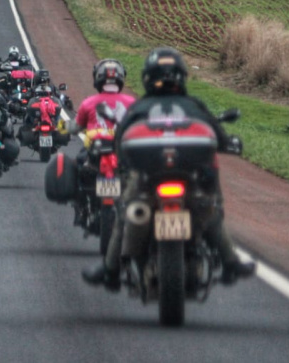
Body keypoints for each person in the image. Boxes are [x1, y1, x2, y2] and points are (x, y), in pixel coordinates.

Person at [82, 47, 256, 289]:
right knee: (210, 211)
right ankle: (230, 261)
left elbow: (120, 140)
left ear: (147, 77)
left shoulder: (140, 107)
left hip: (149, 178)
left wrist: (122, 160)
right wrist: (228, 143)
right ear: (182, 75)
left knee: (127, 213)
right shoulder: (193, 105)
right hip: (186, 178)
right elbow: (218, 134)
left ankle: (110, 268)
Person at [66, 59, 137, 228]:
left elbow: (76, 127)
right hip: (123, 152)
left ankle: (81, 208)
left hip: (95, 151)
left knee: (76, 168)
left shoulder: (88, 102)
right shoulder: (131, 103)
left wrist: (65, 128)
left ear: (97, 79)